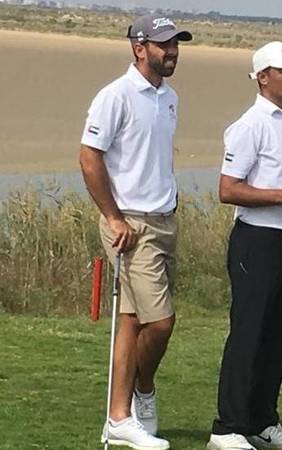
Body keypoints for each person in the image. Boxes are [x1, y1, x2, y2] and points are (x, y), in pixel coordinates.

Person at [207, 41, 282, 450]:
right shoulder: (250, 125)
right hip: (257, 241)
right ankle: (227, 427)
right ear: (262, 77)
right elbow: (229, 189)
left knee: (279, 335)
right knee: (249, 333)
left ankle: (262, 421)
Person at [79, 13, 192, 450]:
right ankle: (142, 391)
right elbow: (90, 156)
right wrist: (112, 218)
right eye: (164, 44)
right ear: (139, 48)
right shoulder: (116, 96)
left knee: (131, 320)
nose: (173, 51)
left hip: (164, 220)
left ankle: (119, 417)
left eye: (176, 43)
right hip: (128, 224)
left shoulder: (169, 97)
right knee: (160, 322)